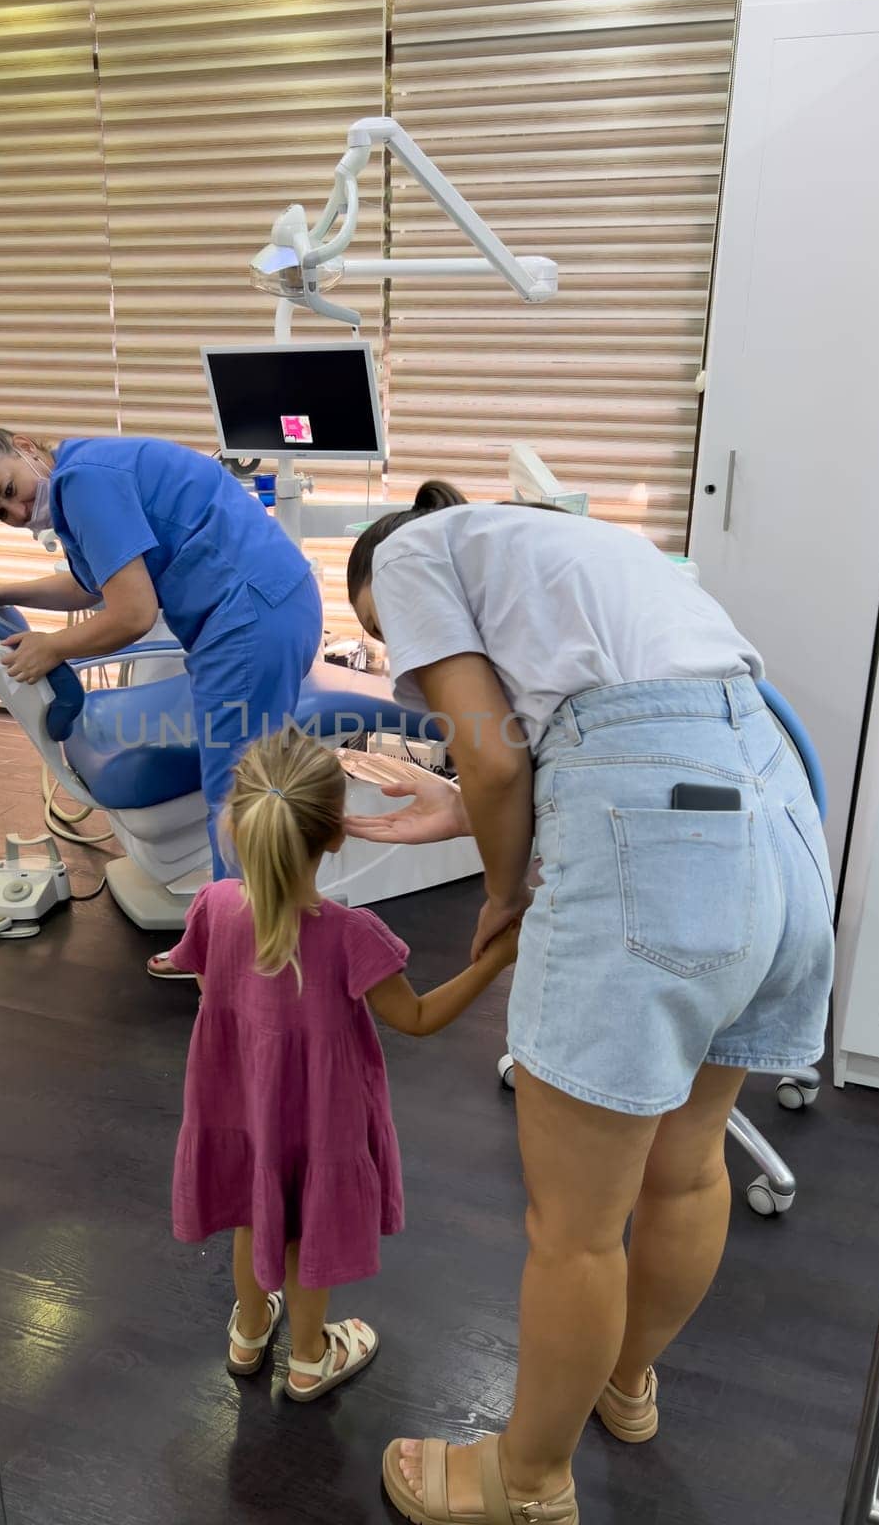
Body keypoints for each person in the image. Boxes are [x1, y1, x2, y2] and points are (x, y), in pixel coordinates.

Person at [344, 483, 835, 1525]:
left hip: (655, 829)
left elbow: (493, 754)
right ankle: (623, 1381)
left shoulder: (409, 549)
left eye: (403, 651)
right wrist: (471, 813)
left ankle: (524, 1480)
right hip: (778, 815)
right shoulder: (583, 545)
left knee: (574, 1227)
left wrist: (501, 892)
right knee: (691, 1163)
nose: (423, 679)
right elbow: (585, 743)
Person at [164, 727, 519, 1400]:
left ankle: (247, 1331)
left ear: (236, 824)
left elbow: (213, 992)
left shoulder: (212, 908)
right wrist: (496, 961)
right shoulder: (352, 937)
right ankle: (307, 1356)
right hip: (319, 1119)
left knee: (251, 1211)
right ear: (334, 836)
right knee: (304, 1231)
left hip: (240, 1107)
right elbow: (417, 1018)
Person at [0, 422, 321, 974]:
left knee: (237, 799)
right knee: (238, 791)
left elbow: (133, 614)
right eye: (0, 515)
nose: (18, 514)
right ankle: (225, 937)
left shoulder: (85, 483)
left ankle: (241, 962)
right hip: (251, 612)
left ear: (25, 447)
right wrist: (5, 591)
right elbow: (96, 586)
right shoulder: (77, 481)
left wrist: (53, 648)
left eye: (7, 492)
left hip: (254, 616)